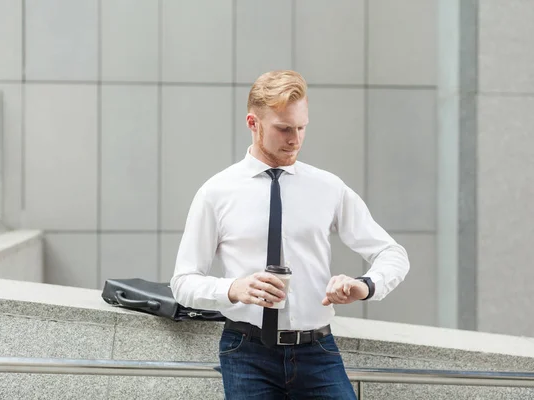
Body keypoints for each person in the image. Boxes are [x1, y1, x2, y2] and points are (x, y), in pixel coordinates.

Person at [171, 70, 410, 399]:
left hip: (318, 351)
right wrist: (233, 289)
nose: (295, 139)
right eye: (283, 129)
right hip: (246, 352)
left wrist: (366, 286)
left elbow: (392, 254)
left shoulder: (328, 188)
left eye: (301, 128)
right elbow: (183, 281)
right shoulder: (216, 192)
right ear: (253, 123)